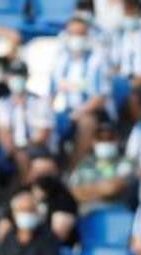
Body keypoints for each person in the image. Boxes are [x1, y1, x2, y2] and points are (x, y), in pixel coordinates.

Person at [49, 17, 112, 162]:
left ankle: (74, 168)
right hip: (63, 111)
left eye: (81, 34)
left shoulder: (97, 60)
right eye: (73, 33)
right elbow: (51, 93)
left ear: (87, 36)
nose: (76, 38)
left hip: (90, 111)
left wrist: (78, 113)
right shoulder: (60, 60)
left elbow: (100, 98)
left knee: (86, 123)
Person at [0, 62, 54, 175]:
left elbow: (42, 135)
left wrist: (24, 146)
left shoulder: (39, 102)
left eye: (20, 75)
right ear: (7, 78)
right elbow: (4, 132)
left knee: (41, 165)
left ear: (27, 77)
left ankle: (26, 185)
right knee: (18, 157)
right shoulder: (2, 103)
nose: (17, 79)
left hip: (35, 148)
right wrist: (13, 148)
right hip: (11, 149)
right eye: (13, 75)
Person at [0, 188, 60, 255]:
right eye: (22, 210)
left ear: (38, 213)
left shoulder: (49, 238)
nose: (26, 214)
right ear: (14, 213)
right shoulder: (8, 236)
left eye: (30, 210)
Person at [69, 122, 135, 208]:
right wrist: (101, 189)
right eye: (100, 138)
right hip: (88, 212)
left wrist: (85, 190)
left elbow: (112, 188)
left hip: (116, 210)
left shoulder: (125, 162)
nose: (105, 142)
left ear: (117, 140)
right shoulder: (85, 164)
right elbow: (73, 192)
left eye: (109, 138)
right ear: (93, 142)